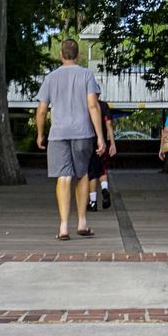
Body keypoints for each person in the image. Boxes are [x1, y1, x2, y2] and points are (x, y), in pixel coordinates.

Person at [34, 36, 108, 241]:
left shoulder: (50, 78)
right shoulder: (86, 75)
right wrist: (100, 136)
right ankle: (82, 222)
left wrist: (40, 134)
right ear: (79, 55)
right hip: (83, 132)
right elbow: (93, 106)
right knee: (82, 175)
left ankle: (64, 226)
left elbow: (41, 110)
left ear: (60, 55)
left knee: (63, 177)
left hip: (58, 134)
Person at [86, 99, 118, 212]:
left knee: (92, 172)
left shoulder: (85, 104)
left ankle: (93, 202)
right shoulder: (104, 106)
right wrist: (113, 144)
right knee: (103, 168)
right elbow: (109, 124)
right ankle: (104, 189)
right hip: (102, 142)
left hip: (88, 141)